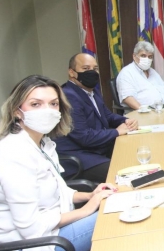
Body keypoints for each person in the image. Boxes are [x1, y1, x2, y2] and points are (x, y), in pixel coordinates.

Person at [0, 75, 117, 251]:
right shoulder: (14, 155)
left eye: (53, 104)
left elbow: (58, 191)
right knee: (116, 217)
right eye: (36, 104)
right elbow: (32, 228)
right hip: (23, 250)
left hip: (47, 234)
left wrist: (89, 195)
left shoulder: (42, 144)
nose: (47, 110)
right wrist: (89, 208)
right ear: (16, 112)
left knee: (117, 205)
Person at [55, 53, 138, 182]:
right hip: (79, 156)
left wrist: (125, 121)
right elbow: (84, 137)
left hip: (96, 147)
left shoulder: (91, 90)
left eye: (95, 69)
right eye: (86, 68)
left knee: (136, 155)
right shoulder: (68, 96)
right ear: (72, 72)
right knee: (126, 174)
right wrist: (117, 131)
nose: (92, 72)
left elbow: (107, 115)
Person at [116, 41, 164, 110]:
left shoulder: (152, 71)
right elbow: (127, 98)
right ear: (134, 56)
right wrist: (144, 111)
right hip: (142, 114)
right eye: (143, 56)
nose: (147, 59)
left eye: (150, 57)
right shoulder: (126, 73)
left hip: (162, 110)